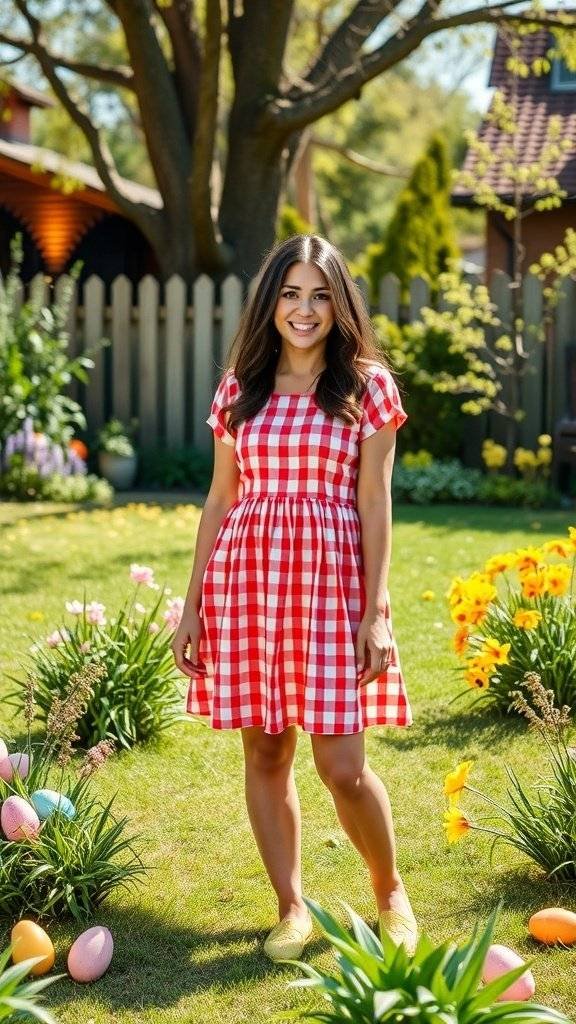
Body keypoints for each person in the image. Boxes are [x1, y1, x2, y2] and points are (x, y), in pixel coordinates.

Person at [172, 234, 417, 962]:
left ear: (338, 304)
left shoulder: (367, 387)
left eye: (319, 295)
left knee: (341, 763)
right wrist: (191, 607)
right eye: (289, 293)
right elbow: (220, 500)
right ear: (269, 302)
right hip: (248, 581)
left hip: (333, 583)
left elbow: (375, 501)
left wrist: (376, 611)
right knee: (266, 749)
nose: (303, 310)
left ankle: (391, 892)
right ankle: (291, 907)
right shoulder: (238, 389)